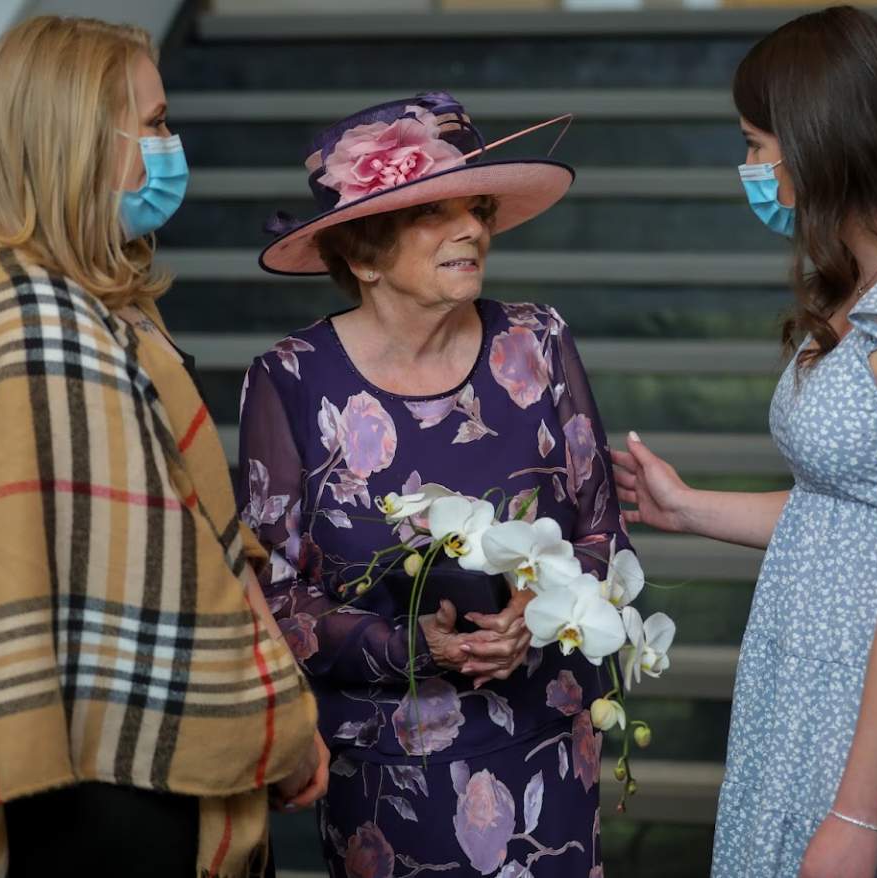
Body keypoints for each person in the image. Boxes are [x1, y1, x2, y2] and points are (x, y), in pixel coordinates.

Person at [0, 16, 323, 877]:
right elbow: (168, 575)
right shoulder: (38, 324)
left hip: (75, 737)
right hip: (103, 773)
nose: (168, 145)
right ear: (73, 140)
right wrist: (280, 724)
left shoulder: (5, 300)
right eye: (150, 124)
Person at [612, 7, 877, 876]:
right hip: (819, 691)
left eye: (758, 143)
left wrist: (857, 815)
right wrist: (688, 508)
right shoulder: (862, 287)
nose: (751, 168)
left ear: (819, 142)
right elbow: (852, 513)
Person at [239, 92, 627, 876]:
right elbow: (277, 598)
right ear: (364, 254)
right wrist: (411, 646)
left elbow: (602, 534)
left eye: (476, 207)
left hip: (548, 745)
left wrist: (537, 614)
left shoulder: (539, 342)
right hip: (387, 780)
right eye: (433, 213)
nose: (473, 229)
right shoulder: (292, 381)